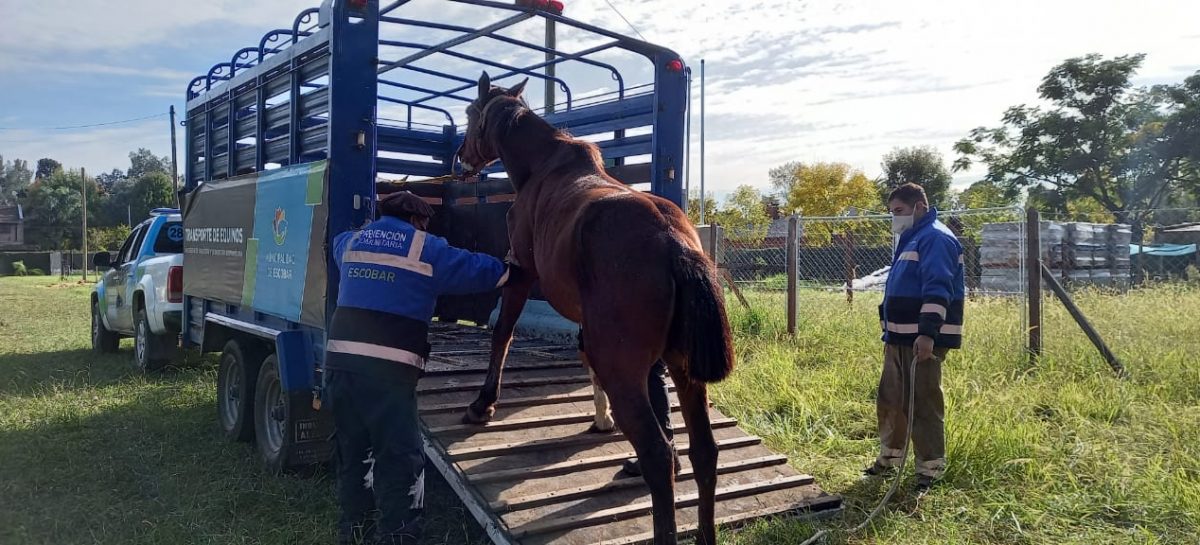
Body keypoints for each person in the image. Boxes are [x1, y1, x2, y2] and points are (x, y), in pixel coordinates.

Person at [324, 190, 515, 544]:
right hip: (388, 376)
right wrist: (510, 267)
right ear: (418, 221)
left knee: (353, 452)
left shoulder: (351, 243)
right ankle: (398, 536)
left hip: (341, 368)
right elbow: (478, 270)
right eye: (424, 224)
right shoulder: (427, 249)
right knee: (400, 457)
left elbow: (336, 241)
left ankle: (354, 529)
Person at [865, 183, 965, 492]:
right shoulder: (913, 237)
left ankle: (929, 469)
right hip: (898, 336)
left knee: (922, 400)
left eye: (899, 211)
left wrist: (927, 334)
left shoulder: (935, 238)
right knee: (892, 397)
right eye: (892, 212)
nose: (895, 218)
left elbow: (938, 288)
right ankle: (891, 456)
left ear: (919, 207)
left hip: (920, 339)